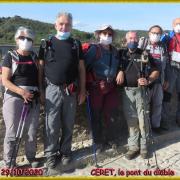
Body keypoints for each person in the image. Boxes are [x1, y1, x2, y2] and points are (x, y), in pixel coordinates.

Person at [38, 12, 86, 169]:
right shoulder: (46, 43)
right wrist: (41, 90)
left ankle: (65, 152)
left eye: (67, 24)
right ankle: (50, 154)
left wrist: (82, 90)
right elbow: (40, 68)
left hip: (70, 90)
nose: (64, 27)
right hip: (51, 89)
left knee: (68, 123)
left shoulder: (76, 44)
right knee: (51, 124)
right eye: (61, 24)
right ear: (55, 25)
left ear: (71, 26)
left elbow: (81, 68)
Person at [2, 26, 40, 168]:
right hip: (14, 98)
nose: (26, 40)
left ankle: (31, 157)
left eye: (29, 38)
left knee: (31, 130)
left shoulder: (34, 57)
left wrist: (39, 93)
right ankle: (9, 161)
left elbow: (39, 78)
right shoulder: (10, 56)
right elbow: (5, 80)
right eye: (22, 38)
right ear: (17, 40)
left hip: (33, 98)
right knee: (12, 131)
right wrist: (21, 92)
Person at [117, 31, 159, 160]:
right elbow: (116, 65)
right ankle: (133, 147)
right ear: (126, 39)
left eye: (135, 38)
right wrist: (120, 71)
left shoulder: (144, 54)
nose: (133, 40)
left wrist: (148, 80)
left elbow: (156, 71)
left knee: (143, 121)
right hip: (127, 92)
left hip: (141, 91)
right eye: (130, 38)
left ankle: (145, 146)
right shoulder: (121, 54)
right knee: (131, 121)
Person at [84, 25, 120, 152]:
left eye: (110, 34)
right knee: (95, 115)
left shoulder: (115, 51)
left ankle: (111, 139)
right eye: (104, 33)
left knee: (111, 114)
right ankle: (98, 142)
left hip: (111, 86)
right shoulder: (94, 49)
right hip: (96, 87)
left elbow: (120, 64)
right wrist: (83, 87)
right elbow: (83, 67)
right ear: (99, 34)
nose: (107, 36)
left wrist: (120, 71)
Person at [138, 25, 170, 133]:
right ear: (149, 33)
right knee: (144, 106)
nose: (155, 35)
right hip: (146, 81)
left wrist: (166, 79)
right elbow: (136, 60)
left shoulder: (163, 46)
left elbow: (167, 64)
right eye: (153, 33)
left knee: (158, 104)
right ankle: (145, 128)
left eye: (158, 33)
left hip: (159, 81)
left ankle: (156, 126)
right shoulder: (142, 44)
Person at [161, 18, 180, 129]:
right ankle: (165, 121)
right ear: (173, 25)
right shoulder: (167, 37)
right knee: (167, 95)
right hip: (171, 68)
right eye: (177, 23)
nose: (179, 25)